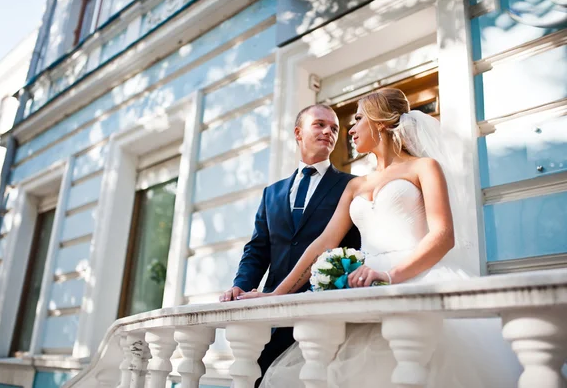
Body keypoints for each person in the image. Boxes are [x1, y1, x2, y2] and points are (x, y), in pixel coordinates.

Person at [239, 88, 521, 387]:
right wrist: (276, 294)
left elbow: (442, 235)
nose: (350, 128)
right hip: (362, 288)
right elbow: (323, 244)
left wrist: (389, 276)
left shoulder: (423, 167)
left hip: (413, 281)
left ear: (381, 123)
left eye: (358, 118)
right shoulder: (355, 186)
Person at [219, 104, 361, 387]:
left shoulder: (351, 186)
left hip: (322, 313)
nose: (328, 132)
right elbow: (258, 249)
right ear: (298, 132)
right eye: (319, 124)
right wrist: (241, 284)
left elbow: (355, 248)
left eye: (334, 128)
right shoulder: (272, 193)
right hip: (271, 315)